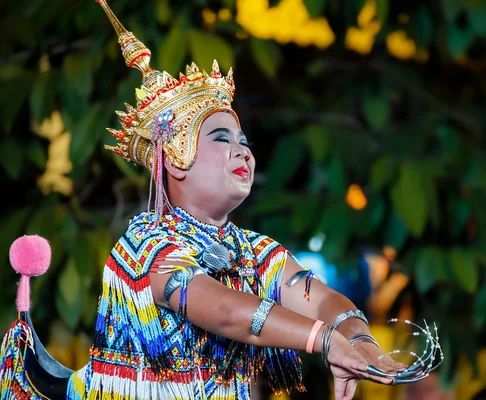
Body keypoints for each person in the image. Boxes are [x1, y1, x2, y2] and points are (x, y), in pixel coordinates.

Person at [1, 1, 406, 399]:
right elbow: (228, 312)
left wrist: (358, 341)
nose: (242, 150)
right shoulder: (146, 249)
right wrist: (323, 340)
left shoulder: (253, 251)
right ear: (176, 158)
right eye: (221, 139)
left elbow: (321, 298)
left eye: (244, 141)